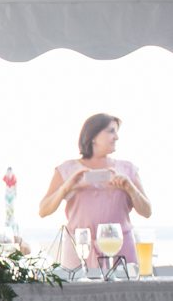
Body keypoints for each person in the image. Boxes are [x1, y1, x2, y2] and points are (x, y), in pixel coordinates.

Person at [38, 113, 151, 267]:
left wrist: (130, 188)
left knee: (123, 291)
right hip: (79, 249)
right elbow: (43, 211)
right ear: (93, 136)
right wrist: (66, 188)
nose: (116, 137)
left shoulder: (127, 169)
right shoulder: (66, 170)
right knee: (79, 291)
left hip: (119, 249)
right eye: (111, 131)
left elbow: (147, 212)